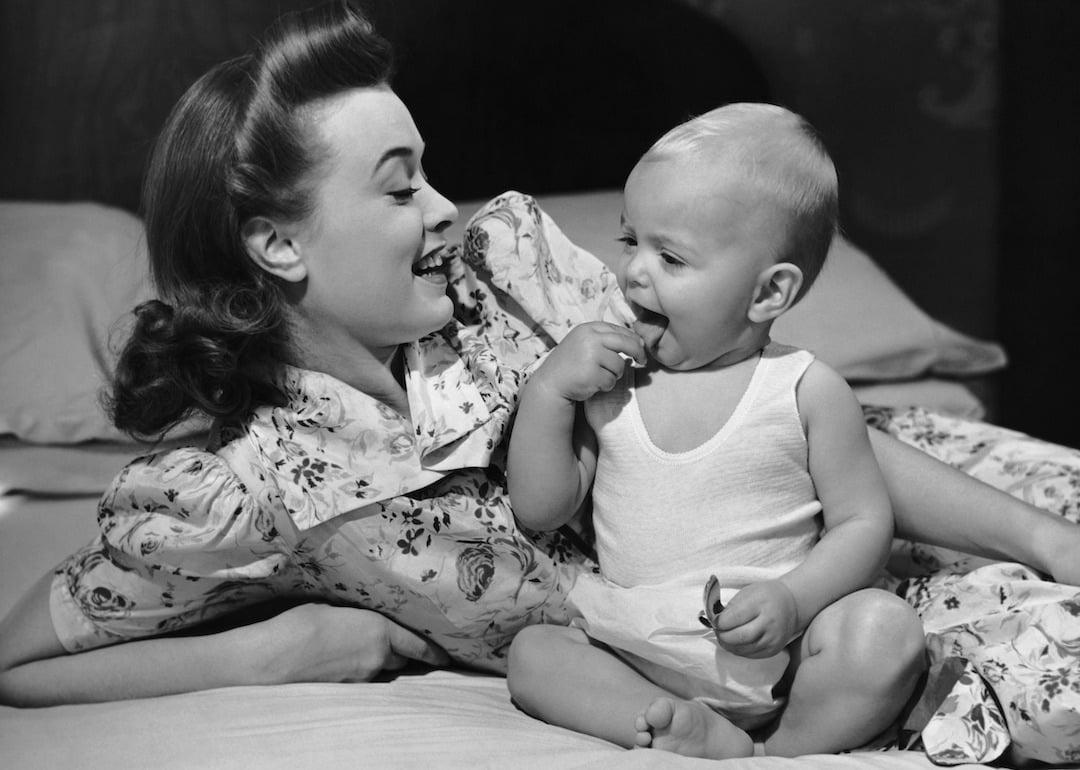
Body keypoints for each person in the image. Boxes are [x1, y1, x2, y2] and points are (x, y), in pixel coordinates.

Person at [0, 1, 1077, 715]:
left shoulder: (509, 270)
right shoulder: (238, 491)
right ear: (279, 246)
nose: (443, 207)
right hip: (703, 643)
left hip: (849, 489)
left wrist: (1036, 533)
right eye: (399, 186)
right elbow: (15, 661)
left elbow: (764, 409)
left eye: (429, 173)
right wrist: (272, 649)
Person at [505, 103, 922, 759]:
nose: (634, 271)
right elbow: (541, 506)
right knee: (534, 653)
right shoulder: (611, 381)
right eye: (630, 241)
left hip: (777, 652)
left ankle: (783, 749)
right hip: (635, 649)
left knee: (886, 632)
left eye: (670, 257)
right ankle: (676, 725)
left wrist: (794, 599)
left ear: (767, 295)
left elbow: (865, 524)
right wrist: (548, 391)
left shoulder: (805, 389)